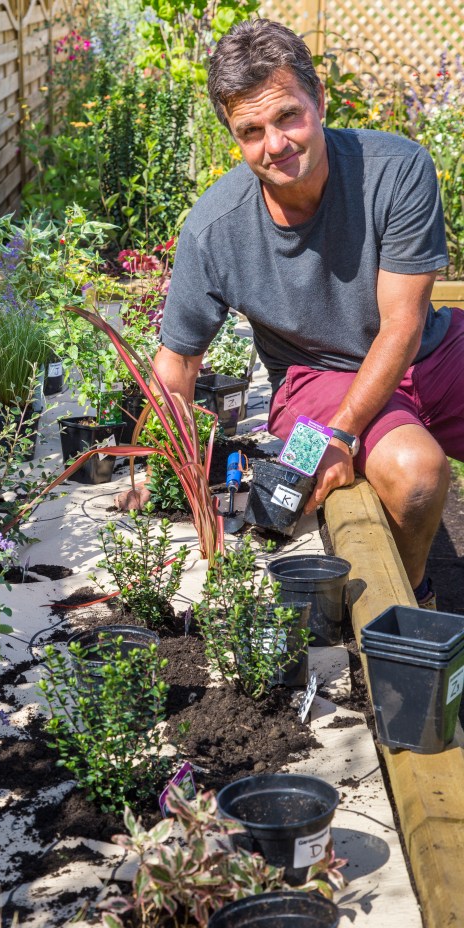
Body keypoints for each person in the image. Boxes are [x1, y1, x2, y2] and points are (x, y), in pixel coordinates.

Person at [121, 17, 464, 608]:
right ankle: (403, 619)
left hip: (428, 352)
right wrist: (153, 462)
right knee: (415, 475)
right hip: (316, 380)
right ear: (233, 135)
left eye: (287, 116)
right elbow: (178, 358)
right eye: (250, 130)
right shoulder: (215, 229)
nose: (274, 145)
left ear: (320, 99)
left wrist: (342, 436)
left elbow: (403, 326)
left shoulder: (396, 169)